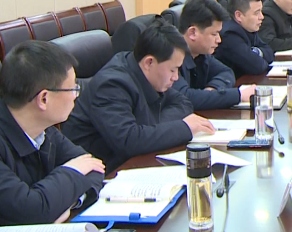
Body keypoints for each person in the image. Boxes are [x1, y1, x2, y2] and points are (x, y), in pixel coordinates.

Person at [63, 21, 216, 171]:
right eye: (172, 70)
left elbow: (183, 102)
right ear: (149, 62)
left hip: (135, 161)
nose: (176, 77)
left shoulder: (145, 71)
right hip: (103, 171)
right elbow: (129, 141)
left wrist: (149, 128)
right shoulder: (111, 85)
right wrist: (184, 128)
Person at [0, 41, 104, 225]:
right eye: (72, 88)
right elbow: (32, 210)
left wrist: (65, 204)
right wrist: (72, 171)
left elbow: (94, 167)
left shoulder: (45, 130)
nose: (76, 95)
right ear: (44, 99)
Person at [171, 0, 256, 111]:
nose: (219, 40)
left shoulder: (201, 54)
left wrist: (213, 89)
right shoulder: (170, 56)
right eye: (214, 34)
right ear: (192, 33)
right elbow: (185, 98)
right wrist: (238, 95)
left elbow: (226, 72)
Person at [215, 0, 275, 78]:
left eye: (261, 12)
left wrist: (256, 52)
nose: (262, 17)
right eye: (256, 13)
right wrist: (258, 55)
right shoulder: (230, 35)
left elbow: (270, 52)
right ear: (239, 15)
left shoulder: (248, 28)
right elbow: (257, 66)